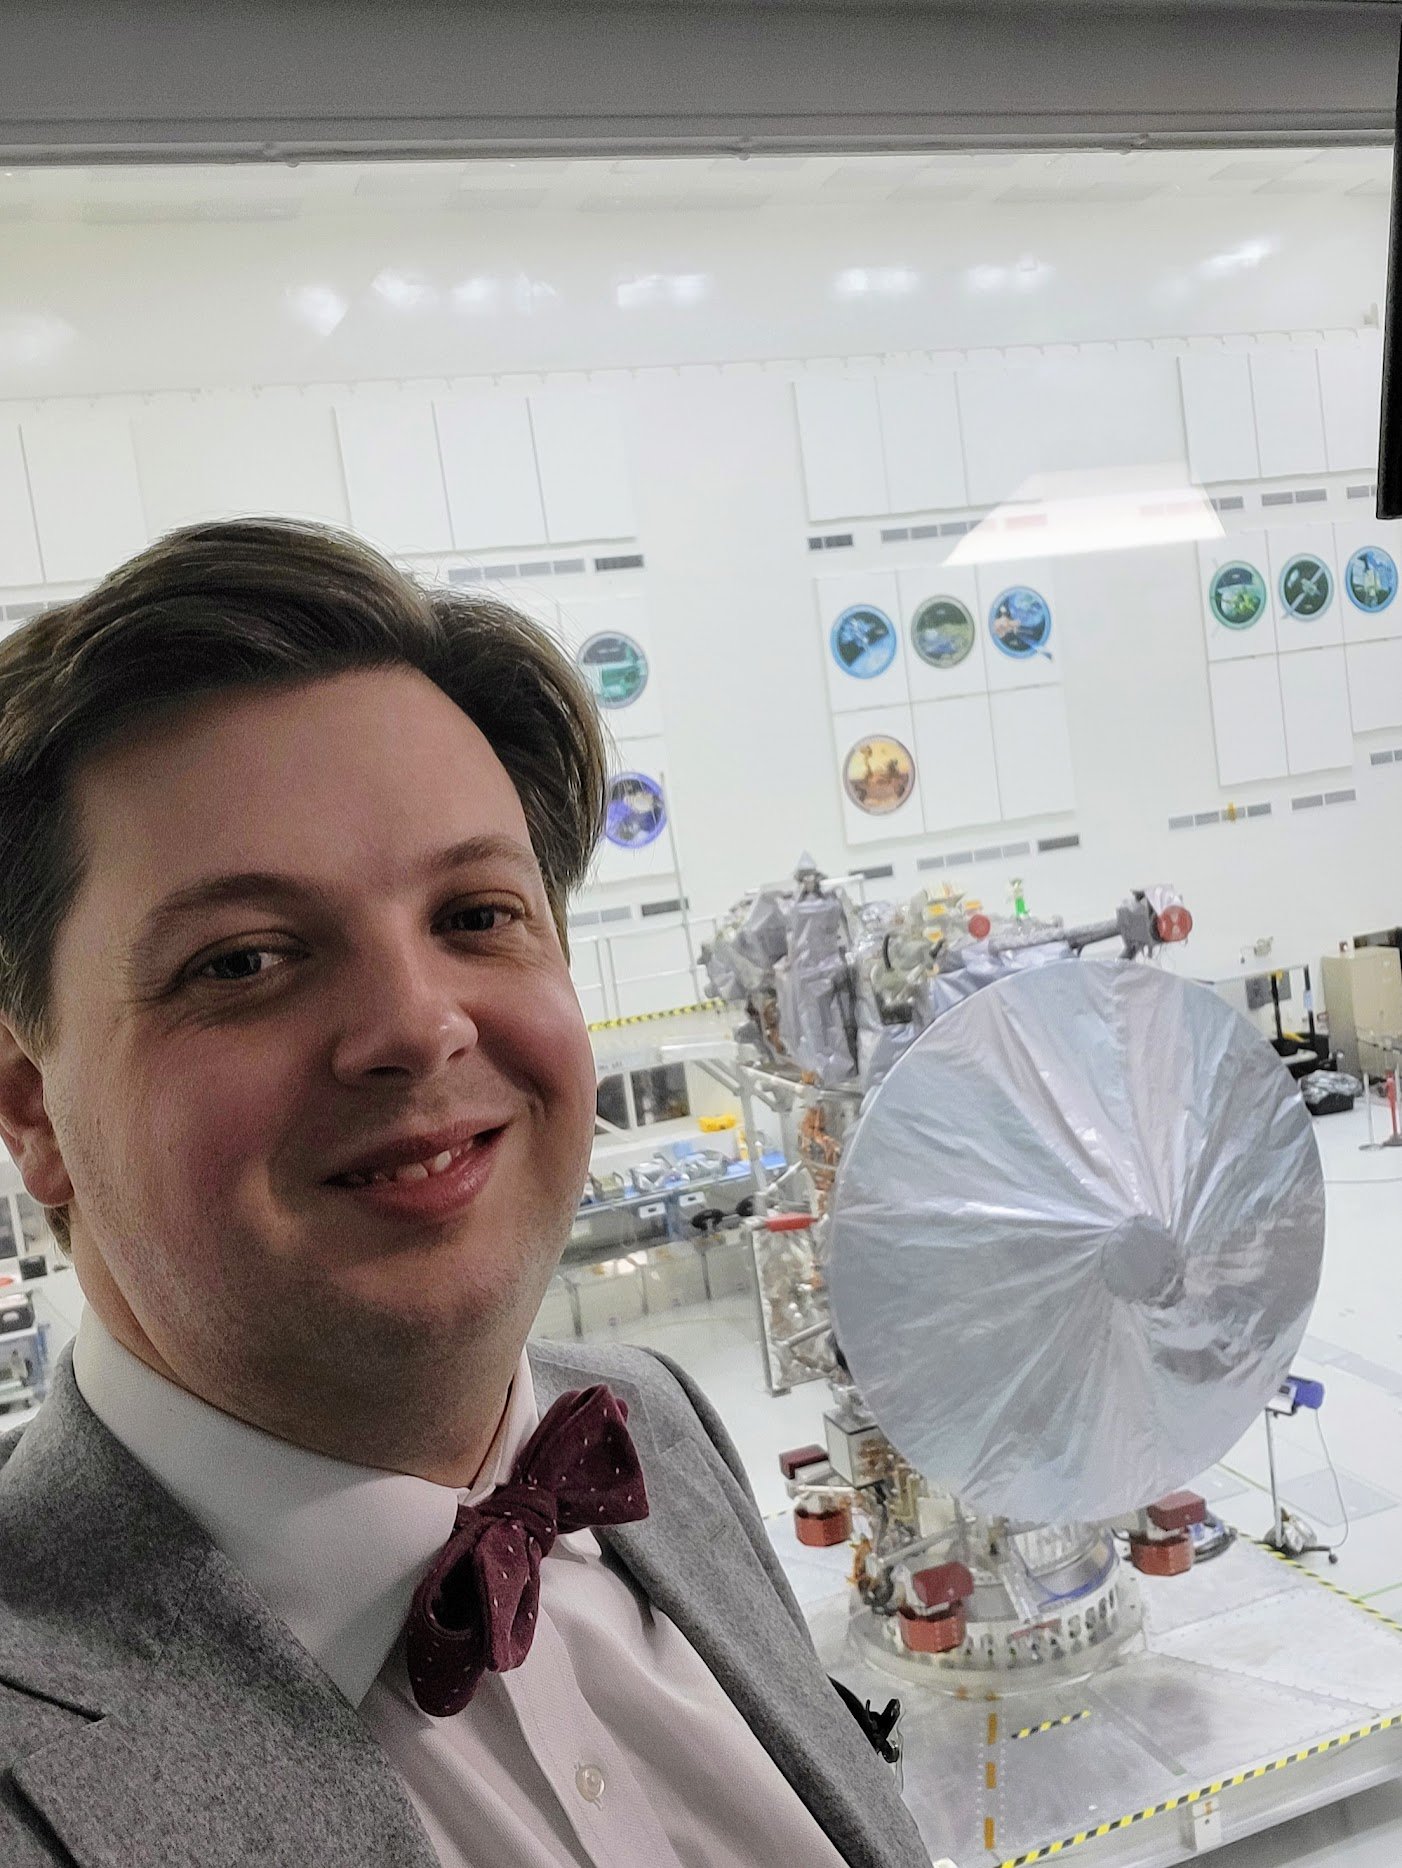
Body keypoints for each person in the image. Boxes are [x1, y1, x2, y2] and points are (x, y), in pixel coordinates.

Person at [0, 520, 928, 1868]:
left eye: (476, 915)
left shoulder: (651, 1424)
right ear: (32, 1108)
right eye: (244, 960)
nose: (418, 1025)